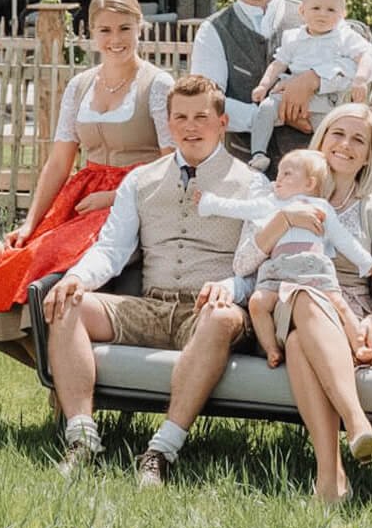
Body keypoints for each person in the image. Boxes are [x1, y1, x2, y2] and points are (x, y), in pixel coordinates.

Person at [42, 74, 264, 485]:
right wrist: (77, 277)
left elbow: (258, 270)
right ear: (169, 122)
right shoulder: (139, 180)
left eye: (201, 117)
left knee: (220, 317)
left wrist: (231, 289)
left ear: (223, 122)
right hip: (150, 304)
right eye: (180, 117)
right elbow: (112, 248)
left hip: (209, 310)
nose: (190, 126)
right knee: (67, 301)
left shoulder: (253, 185)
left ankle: (161, 449)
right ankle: (81, 438)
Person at [0, 0, 173, 363]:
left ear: (140, 27)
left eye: (124, 29)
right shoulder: (80, 86)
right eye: (105, 30)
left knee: (55, 263)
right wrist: (31, 221)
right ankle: (52, 364)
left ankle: (68, 363)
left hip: (136, 197)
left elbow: (171, 162)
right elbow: (59, 161)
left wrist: (116, 197)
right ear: (90, 33)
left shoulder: (158, 85)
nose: (115, 40)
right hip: (84, 197)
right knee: (17, 259)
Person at [258, 104, 372, 504]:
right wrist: (282, 222)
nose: (346, 145)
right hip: (288, 301)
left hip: (351, 318)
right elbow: (245, 263)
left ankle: (330, 480)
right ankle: (356, 422)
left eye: (359, 140)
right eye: (338, 133)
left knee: (302, 342)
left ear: (368, 155)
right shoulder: (282, 194)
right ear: (322, 138)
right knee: (305, 294)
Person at [190, 0, 372, 165]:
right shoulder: (213, 31)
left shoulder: (316, 13)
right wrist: (275, 114)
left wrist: (314, 78)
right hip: (244, 173)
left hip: (317, 170)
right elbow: (206, 102)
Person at [197, 148, 372, 379]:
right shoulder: (272, 203)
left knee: (339, 303)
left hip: (312, 267)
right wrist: (209, 202)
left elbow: (344, 239)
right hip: (278, 272)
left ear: (310, 183)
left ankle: (359, 345)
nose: (278, 179)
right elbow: (240, 208)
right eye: (278, 173)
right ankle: (271, 348)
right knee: (257, 303)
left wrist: (366, 262)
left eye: (287, 174)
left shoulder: (322, 208)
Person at [246, 0, 372, 173]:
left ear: (343, 13)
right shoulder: (293, 38)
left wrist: (360, 79)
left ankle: (324, 169)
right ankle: (258, 154)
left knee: (326, 135)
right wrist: (263, 85)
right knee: (266, 109)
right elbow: (278, 63)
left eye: (331, 10)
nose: (323, 15)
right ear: (302, 11)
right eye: (316, 8)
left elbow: (365, 57)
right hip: (289, 91)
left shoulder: (345, 36)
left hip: (326, 99)